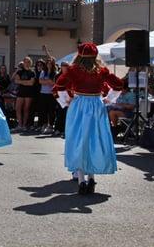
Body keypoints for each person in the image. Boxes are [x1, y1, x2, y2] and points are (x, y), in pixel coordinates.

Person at [54, 42, 123, 195]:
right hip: (96, 106)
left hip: (79, 106)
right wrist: (108, 99)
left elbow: (59, 85)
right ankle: (91, 178)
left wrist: (66, 100)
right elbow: (119, 85)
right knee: (93, 140)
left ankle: (81, 181)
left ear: (79, 55)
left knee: (78, 141)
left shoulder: (73, 70)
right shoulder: (102, 70)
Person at [13, 56, 35, 132]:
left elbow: (31, 83)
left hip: (29, 93)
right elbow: (16, 81)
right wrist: (26, 82)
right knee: (18, 108)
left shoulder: (32, 72)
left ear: (30, 63)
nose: (27, 63)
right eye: (25, 61)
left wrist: (21, 81)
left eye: (28, 61)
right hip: (20, 92)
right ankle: (20, 125)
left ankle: (24, 125)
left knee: (26, 109)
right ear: (23, 62)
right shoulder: (20, 71)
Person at [39, 58, 58, 134]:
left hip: (52, 94)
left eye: (50, 63)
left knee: (51, 111)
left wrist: (46, 81)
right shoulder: (43, 72)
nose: (49, 65)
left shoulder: (55, 73)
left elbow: (54, 83)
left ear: (52, 64)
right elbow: (40, 81)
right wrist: (49, 81)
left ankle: (50, 126)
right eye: (48, 63)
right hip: (43, 93)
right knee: (43, 110)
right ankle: (44, 124)